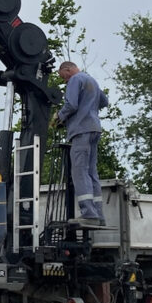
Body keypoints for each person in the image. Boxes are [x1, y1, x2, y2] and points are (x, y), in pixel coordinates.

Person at [55, 61, 109, 227]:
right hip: (94, 128)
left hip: (81, 130)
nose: (65, 81)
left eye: (64, 77)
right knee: (92, 172)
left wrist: (59, 117)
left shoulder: (75, 80)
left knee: (79, 171)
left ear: (68, 69)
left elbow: (71, 104)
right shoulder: (91, 80)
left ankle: (88, 213)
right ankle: (98, 215)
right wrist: (89, 107)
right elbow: (104, 102)